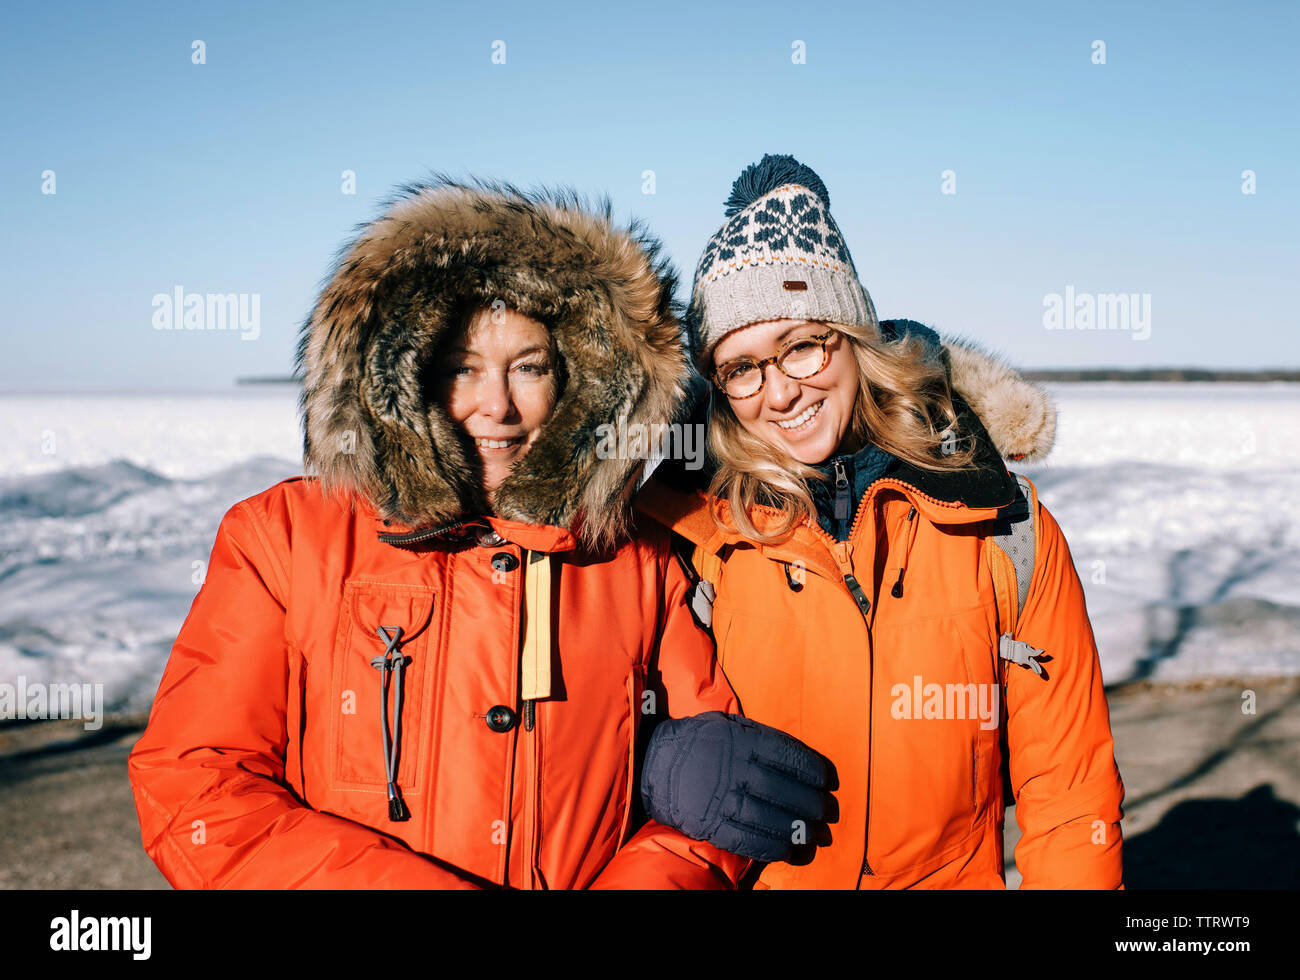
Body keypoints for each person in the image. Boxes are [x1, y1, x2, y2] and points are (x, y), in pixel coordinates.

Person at [127, 176, 755, 889]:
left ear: (581, 378)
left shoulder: (634, 560)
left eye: (529, 368)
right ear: (406, 378)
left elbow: (713, 805)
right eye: (463, 369)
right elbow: (197, 788)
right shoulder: (283, 540)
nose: (499, 406)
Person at [636, 154, 1126, 889]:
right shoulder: (686, 537)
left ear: (855, 339)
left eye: (802, 345)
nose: (780, 391)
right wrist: (658, 764)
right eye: (742, 367)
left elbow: (1069, 795)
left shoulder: (1000, 524)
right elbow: (591, 750)